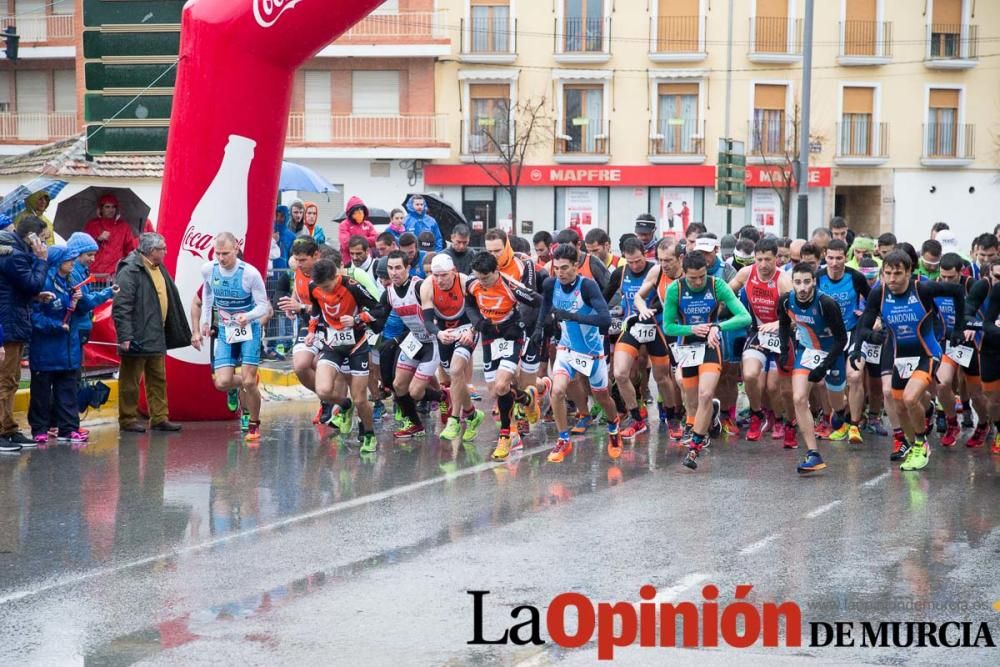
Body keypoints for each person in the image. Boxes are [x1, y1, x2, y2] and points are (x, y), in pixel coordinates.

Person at [852, 250, 967, 471]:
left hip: (927, 352)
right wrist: (860, 346)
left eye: (897, 273)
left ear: (909, 273)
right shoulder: (879, 293)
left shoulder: (923, 289)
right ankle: (914, 442)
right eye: (887, 273)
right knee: (898, 403)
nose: (892, 279)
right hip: (901, 355)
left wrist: (960, 327)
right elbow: (865, 322)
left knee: (910, 398)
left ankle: (922, 445)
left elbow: (958, 290)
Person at [662, 252, 751, 470]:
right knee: (692, 400)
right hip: (688, 345)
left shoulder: (717, 285)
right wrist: (691, 328)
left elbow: (744, 317)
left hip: (710, 345)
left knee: (706, 393)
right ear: (684, 273)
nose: (698, 282)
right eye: (693, 278)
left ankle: (695, 446)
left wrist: (716, 326)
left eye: (702, 276)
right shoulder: (675, 289)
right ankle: (708, 413)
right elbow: (668, 327)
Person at [534, 243, 622, 463]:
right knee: (557, 391)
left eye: (565, 268)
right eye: (557, 268)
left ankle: (614, 425)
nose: (560, 273)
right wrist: (538, 329)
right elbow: (545, 306)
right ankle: (564, 439)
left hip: (592, 353)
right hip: (567, 348)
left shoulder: (587, 287)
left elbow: (604, 319)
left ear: (576, 266)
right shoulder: (550, 284)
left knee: (602, 396)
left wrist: (573, 316)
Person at [191, 233, 270, 442]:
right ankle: (238, 386)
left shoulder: (249, 274)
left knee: (249, 382)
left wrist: (249, 315)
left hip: (249, 329)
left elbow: (263, 305)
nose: (221, 258)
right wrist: (206, 321)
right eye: (217, 253)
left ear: (236, 248)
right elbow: (207, 295)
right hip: (226, 329)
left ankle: (254, 423)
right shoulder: (209, 269)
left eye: (225, 253)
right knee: (222, 382)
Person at [464, 251, 541, 460]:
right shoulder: (473, 283)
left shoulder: (512, 285)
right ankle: (528, 398)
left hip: (510, 335)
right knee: (495, 391)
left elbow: (539, 302)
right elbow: (469, 304)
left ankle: (506, 435)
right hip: (489, 336)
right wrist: (477, 322)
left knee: (501, 386)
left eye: (486, 278)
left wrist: (526, 325)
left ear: (496, 271)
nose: (483, 283)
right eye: (479, 278)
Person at [113, 232, 191, 433]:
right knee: (130, 381)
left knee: (158, 379)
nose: (165, 251)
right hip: (138, 335)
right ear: (151, 251)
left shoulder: (158, 267)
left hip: (156, 333)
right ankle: (127, 419)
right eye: (162, 248)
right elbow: (121, 306)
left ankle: (159, 417)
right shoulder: (130, 270)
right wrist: (125, 336)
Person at [304, 258, 381, 453]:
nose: (326, 291)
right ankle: (344, 405)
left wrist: (356, 318)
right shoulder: (314, 287)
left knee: (360, 399)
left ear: (336, 277)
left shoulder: (352, 286)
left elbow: (379, 310)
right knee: (323, 391)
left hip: (357, 346)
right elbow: (315, 310)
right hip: (332, 344)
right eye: (322, 288)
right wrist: (311, 331)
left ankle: (369, 434)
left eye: (328, 286)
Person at [778, 263, 849, 474]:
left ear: (814, 282)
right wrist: (783, 350)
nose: (802, 287)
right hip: (807, 351)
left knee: (836, 401)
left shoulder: (826, 303)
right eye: (798, 282)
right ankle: (813, 454)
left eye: (807, 282)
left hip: (832, 352)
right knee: (799, 398)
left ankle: (840, 411)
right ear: (792, 283)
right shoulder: (785, 300)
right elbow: (783, 324)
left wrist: (824, 367)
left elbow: (842, 339)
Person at [728, 237, 794, 443]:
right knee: (749, 376)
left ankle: (779, 419)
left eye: (768, 259)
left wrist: (779, 324)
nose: (763, 265)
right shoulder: (746, 273)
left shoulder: (783, 280)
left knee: (773, 387)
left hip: (780, 336)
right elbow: (726, 292)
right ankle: (757, 415)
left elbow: (796, 314)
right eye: (759, 259)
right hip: (756, 333)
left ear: (777, 259)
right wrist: (732, 310)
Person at [377, 250, 448, 439]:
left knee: (415, 391)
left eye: (398, 268)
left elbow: (440, 310)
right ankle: (416, 425)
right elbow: (377, 320)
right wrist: (358, 321)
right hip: (414, 340)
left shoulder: (419, 287)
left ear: (408, 268)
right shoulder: (389, 293)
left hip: (432, 341)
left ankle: (443, 396)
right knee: (399, 385)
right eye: (391, 269)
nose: (394, 273)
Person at [28, 245, 92, 444]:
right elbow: (34, 316)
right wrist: (56, 326)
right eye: (68, 259)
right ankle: (40, 428)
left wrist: (76, 301)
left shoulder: (70, 282)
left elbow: (80, 310)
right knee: (41, 392)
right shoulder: (43, 283)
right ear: (57, 262)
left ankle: (69, 428)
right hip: (46, 349)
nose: (72, 262)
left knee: (67, 390)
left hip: (67, 348)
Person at [420, 253, 484, 441]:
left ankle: (454, 419)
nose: (439, 280)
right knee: (454, 377)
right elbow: (427, 321)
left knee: (456, 370)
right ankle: (472, 415)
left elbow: (481, 312)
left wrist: (472, 330)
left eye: (444, 275)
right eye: (435, 275)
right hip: (444, 333)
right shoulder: (427, 286)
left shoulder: (466, 282)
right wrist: (438, 333)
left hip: (467, 329)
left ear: (454, 272)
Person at [0, 216, 50, 450]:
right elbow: (32, 283)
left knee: (12, 379)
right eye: (41, 238)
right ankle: (3, 430)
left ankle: (9, 428)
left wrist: (35, 297)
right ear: (31, 237)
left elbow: (19, 288)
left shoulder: (16, 253)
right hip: (8, 324)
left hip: (14, 321)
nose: (44, 244)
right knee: (5, 380)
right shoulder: (14, 255)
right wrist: (41, 260)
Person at [83, 194, 139, 276]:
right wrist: (98, 240)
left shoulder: (124, 226)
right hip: (94, 273)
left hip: (116, 273)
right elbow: (84, 249)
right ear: (101, 209)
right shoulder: (92, 225)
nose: (111, 210)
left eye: (113, 207)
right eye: (107, 207)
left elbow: (130, 250)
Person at [337, 196, 378, 260]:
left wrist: (357, 239)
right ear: (351, 211)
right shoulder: (344, 225)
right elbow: (346, 244)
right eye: (356, 209)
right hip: (349, 261)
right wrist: (365, 241)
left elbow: (375, 240)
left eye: (361, 209)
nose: (360, 212)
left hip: (367, 260)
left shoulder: (368, 224)